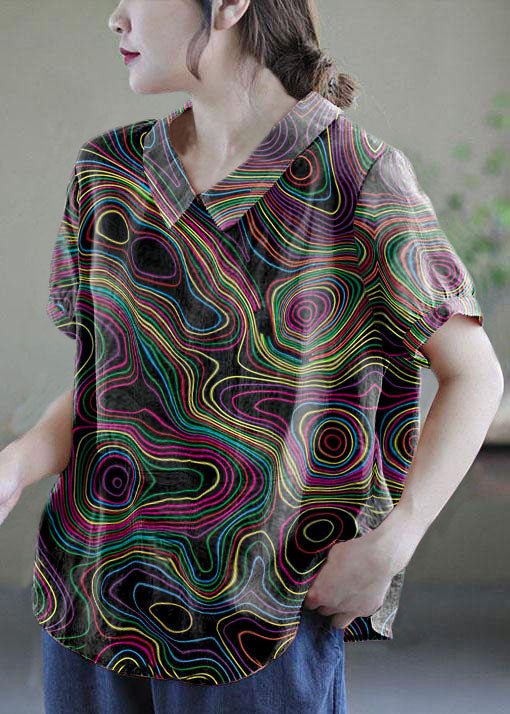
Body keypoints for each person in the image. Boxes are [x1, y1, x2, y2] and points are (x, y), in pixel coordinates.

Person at [0, 1, 504, 713]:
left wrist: (395, 542)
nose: (116, 17)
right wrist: (16, 463)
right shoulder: (107, 175)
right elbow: (108, 392)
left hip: (259, 623)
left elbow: (475, 374)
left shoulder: (356, 174)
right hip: (90, 601)